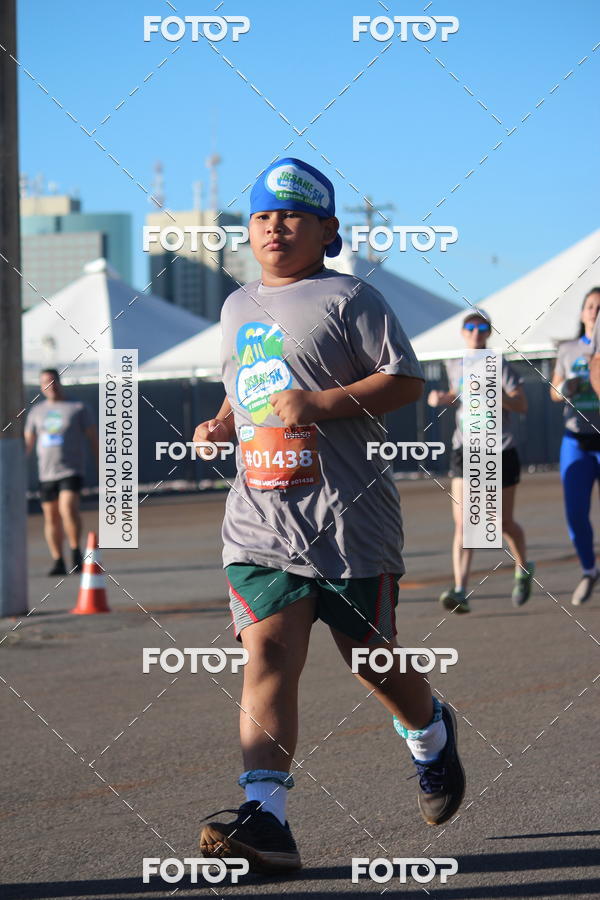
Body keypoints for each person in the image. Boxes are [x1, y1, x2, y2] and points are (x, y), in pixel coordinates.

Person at [193, 158, 465, 874]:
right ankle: (267, 819)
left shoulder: (351, 298)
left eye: (291, 216)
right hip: (259, 521)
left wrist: (322, 404)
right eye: (261, 216)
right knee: (269, 657)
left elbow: (405, 378)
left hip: (350, 523)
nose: (274, 227)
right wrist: (222, 421)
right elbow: (246, 388)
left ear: (327, 231)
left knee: (371, 664)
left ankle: (432, 736)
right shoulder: (235, 306)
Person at [427, 310, 533, 612]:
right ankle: (460, 589)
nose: (476, 332)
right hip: (466, 448)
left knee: (501, 522)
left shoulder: (501, 364)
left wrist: (498, 394)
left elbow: (522, 404)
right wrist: (441, 398)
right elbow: (456, 395)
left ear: (489, 332)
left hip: (500, 449)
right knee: (463, 523)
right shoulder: (454, 363)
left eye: (482, 327)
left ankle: (523, 567)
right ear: (462, 332)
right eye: (470, 327)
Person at [551, 287, 600, 605]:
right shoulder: (568, 349)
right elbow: (554, 392)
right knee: (575, 513)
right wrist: (567, 386)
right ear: (582, 312)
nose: (595, 311)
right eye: (591, 306)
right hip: (576, 440)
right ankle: (588, 569)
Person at [25, 369, 98, 575]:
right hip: (46, 472)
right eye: (45, 383)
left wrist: (102, 464)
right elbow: (27, 443)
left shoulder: (78, 407)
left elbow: (93, 438)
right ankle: (58, 559)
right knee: (51, 517)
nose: (50, 386)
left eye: (53, 381)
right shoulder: (36, 412)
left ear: (59, 382)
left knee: (68, 508)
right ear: (41, 386)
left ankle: (75, 551)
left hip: (71, 469)